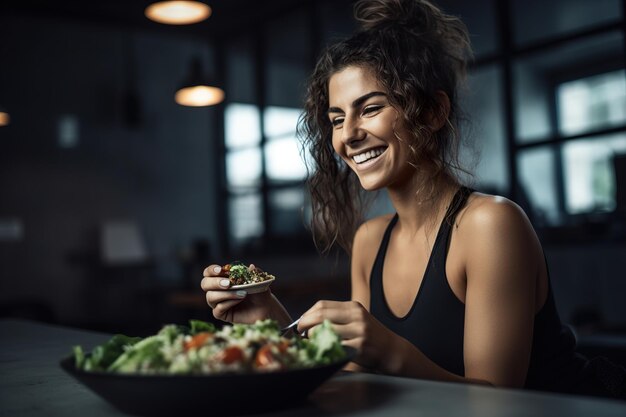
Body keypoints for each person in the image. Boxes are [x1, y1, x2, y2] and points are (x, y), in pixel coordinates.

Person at [201, 0, 626, 399]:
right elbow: (358, 378)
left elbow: (498, 403)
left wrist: (391, 350)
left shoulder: (490, 225)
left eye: (369, 109)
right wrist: (273, 321)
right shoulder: (370, 240)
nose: (347, 134)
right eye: (336, 119)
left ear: (432, 113)